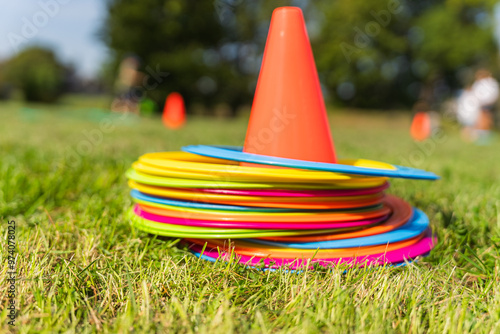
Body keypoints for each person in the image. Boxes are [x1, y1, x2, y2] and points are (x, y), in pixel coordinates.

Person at [471, 69, 498, 143]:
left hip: (486, 103)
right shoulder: (482, 83)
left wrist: (485, 101)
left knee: (485, 118)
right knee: (482, 118)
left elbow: (490, 94)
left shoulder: (489, 83)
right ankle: (482, 134)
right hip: (482, 103)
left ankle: (485, 135)